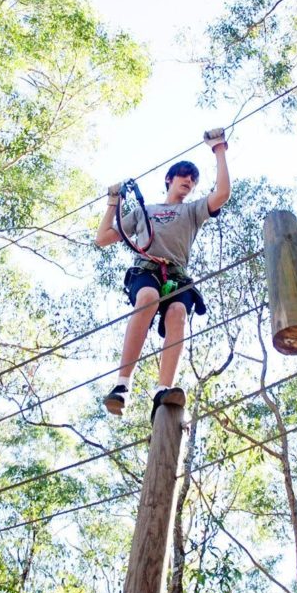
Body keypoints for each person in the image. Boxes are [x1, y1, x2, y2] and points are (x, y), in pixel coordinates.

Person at [94, 129, 231, 416]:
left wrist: (219, 148)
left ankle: (162, 389)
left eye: (193, 179)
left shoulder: (192, 211)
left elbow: (222, 194)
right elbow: (103, 237)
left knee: (178, 316)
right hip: (147, 270)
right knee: (147, 297)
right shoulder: (146, 211)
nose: (189, 181)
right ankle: (121, 384)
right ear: (169, 178)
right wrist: (113, 201)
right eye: (183, 175)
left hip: (177, 276)